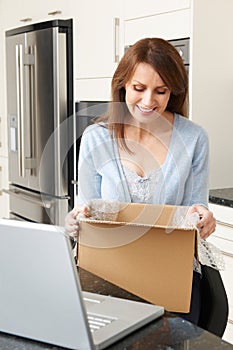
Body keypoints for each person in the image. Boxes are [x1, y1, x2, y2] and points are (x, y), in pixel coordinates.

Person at [65, 38, 216, 325]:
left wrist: (203, 218)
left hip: (171, 281)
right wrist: (75, 221)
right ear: (123, 85)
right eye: (139, 88)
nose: (149, 102)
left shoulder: (195, 139)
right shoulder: (96, 138)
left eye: (161, 91)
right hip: (109, 281)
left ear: (173, 91)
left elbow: (196, 207)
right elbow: (83, 212)